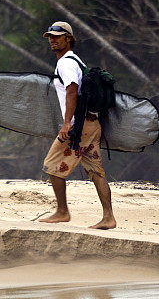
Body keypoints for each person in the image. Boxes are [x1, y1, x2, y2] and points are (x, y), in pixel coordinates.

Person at [38, 21, 117, 229]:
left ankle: (62, 212)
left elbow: (72, 89)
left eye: (58, 36)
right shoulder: (75, 61)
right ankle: (108, 217)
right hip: (92, 123)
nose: (53, 40)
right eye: (50, 37)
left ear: (69, 39)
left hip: (78, 127)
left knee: (52, 165)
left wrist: (67, 124)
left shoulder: (66, 63)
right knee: (96, 170)